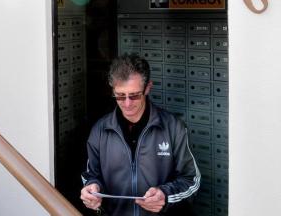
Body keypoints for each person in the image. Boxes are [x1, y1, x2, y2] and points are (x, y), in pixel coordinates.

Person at [80, 53, 200, 215]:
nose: (127, 104)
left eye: (134, 95)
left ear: (148, 88)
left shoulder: (173, 127)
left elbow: (192, 180)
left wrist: (165, 195)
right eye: (120, 96)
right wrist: (91, 188)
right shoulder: (100, 130)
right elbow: (91, 175)